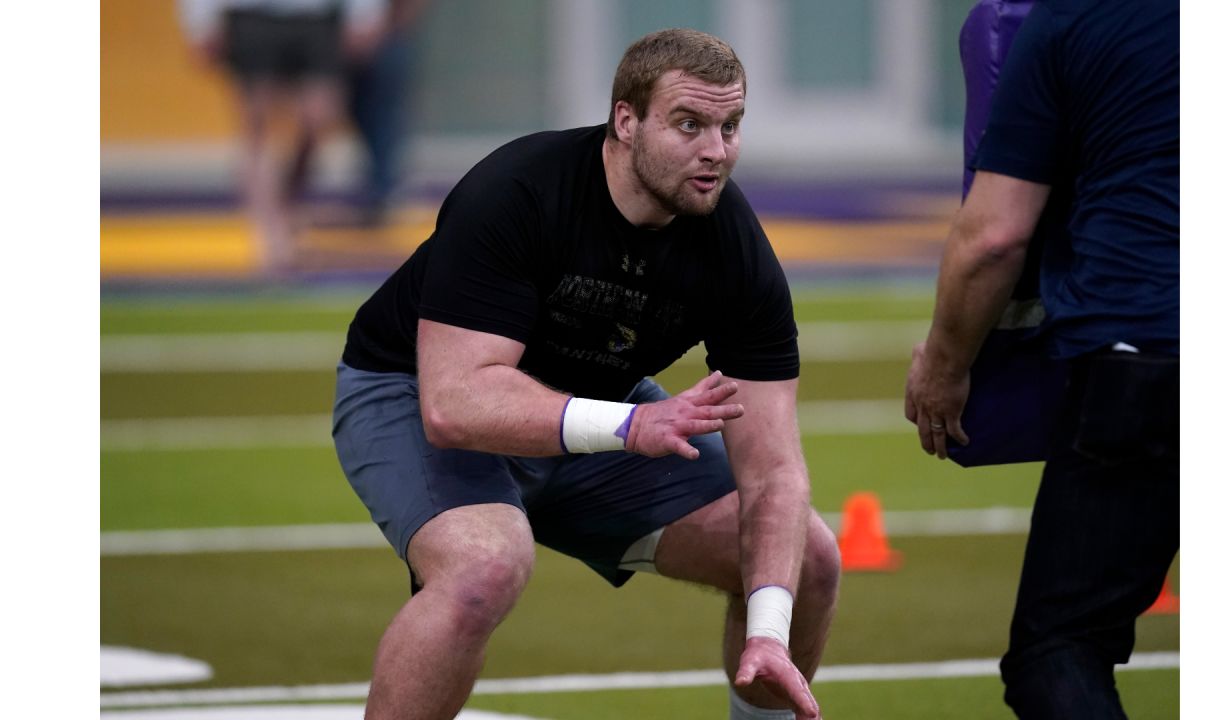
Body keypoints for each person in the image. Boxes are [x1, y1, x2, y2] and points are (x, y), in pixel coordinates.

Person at [332, 28, 840, 720]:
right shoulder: (518, 190)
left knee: (803, 558)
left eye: (729, 126)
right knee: (485, 567)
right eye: (689, 124)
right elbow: (454, 403)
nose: (715, 151)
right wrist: (629, 424)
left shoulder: (734, 250)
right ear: (625, 121)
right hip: (413, 391)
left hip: (600, 414)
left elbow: (775, 473)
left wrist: (769, 632)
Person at [905, 1, 1178, 717]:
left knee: (1059, 651)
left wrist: (944, 363)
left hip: (1145, 346)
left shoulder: (1065, 19)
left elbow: (994, 238)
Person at [178, 0, 388, 273]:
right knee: (257, 125)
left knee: (321, 115)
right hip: (253, 15)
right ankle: (271, 239)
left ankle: (286, 204)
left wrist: (366, 12)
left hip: (316, 15)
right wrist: (199, 22)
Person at [345, 0, 430, 226]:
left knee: (384, 118)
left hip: (388, 37)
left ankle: (385, 190)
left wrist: (390, 28)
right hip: (335, 38)